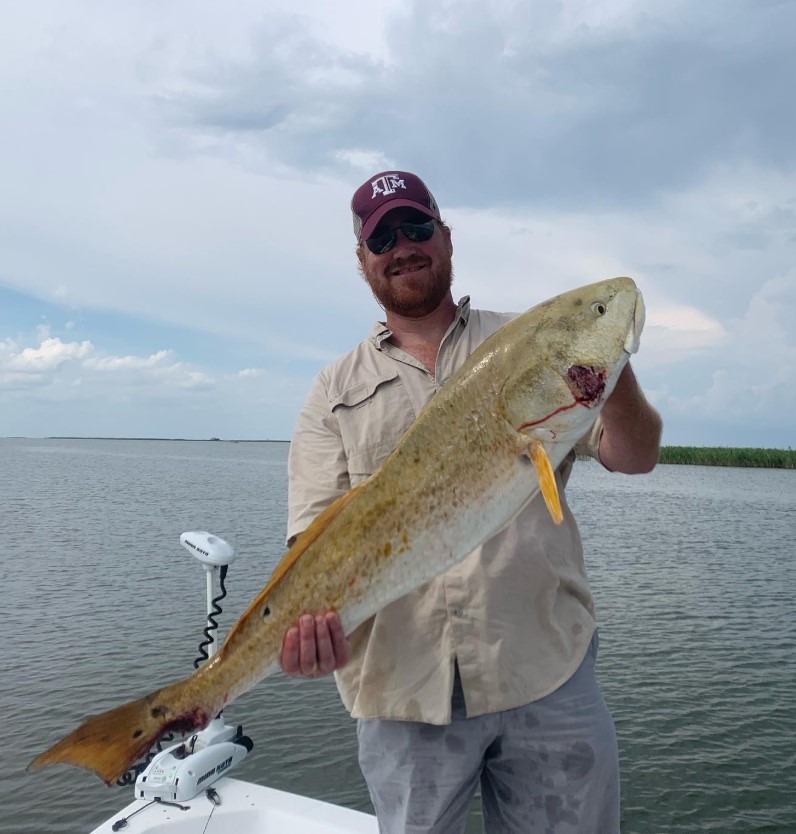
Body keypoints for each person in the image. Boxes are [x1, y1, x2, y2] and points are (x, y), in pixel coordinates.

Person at [280, 170, 662, 834]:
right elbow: (313, 538)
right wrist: (308, 631)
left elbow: (636, 456)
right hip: (402, 691)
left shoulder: (537, 346)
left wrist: (611, 371)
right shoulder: (333, 389)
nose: (403, 246)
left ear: (446, 237)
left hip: (546, 669)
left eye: (416, 227)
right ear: (364, 260)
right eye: (383, 237)